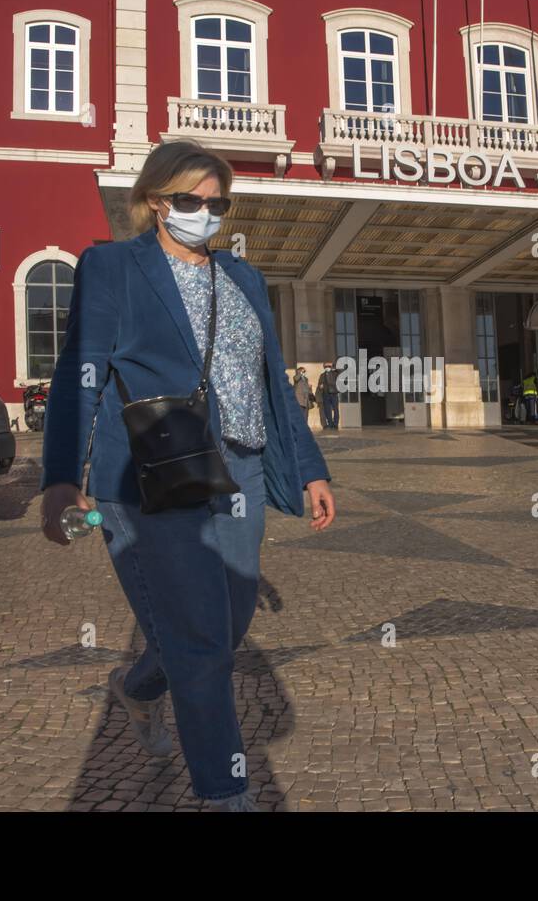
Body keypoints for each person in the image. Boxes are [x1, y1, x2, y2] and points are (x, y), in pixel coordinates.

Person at [39, 140, 335, 812]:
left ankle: (141, 685)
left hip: (243, 469)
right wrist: (61, 476)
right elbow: (78, 377)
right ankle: (227, 794)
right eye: (188, 200)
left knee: (223, 629)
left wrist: (312, 469)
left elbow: (274, 384)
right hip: (153, 471)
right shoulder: (112, 267)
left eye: (216, 202)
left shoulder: (243, 278)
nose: (204, 213)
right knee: (202, 642)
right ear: (154, 202)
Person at [316, 360, 340, 430]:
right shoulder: (322, 375)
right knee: (327, 410)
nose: (327, 367)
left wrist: (334, 366)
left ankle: (335, 424)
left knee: (335, 409)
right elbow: (319, 384)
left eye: (328, 366)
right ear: (324, 367)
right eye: (326, 366)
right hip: (325, 394)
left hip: (334, 394)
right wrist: (320, 386)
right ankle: (330, 423)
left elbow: (340, 373)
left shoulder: (335, 373)